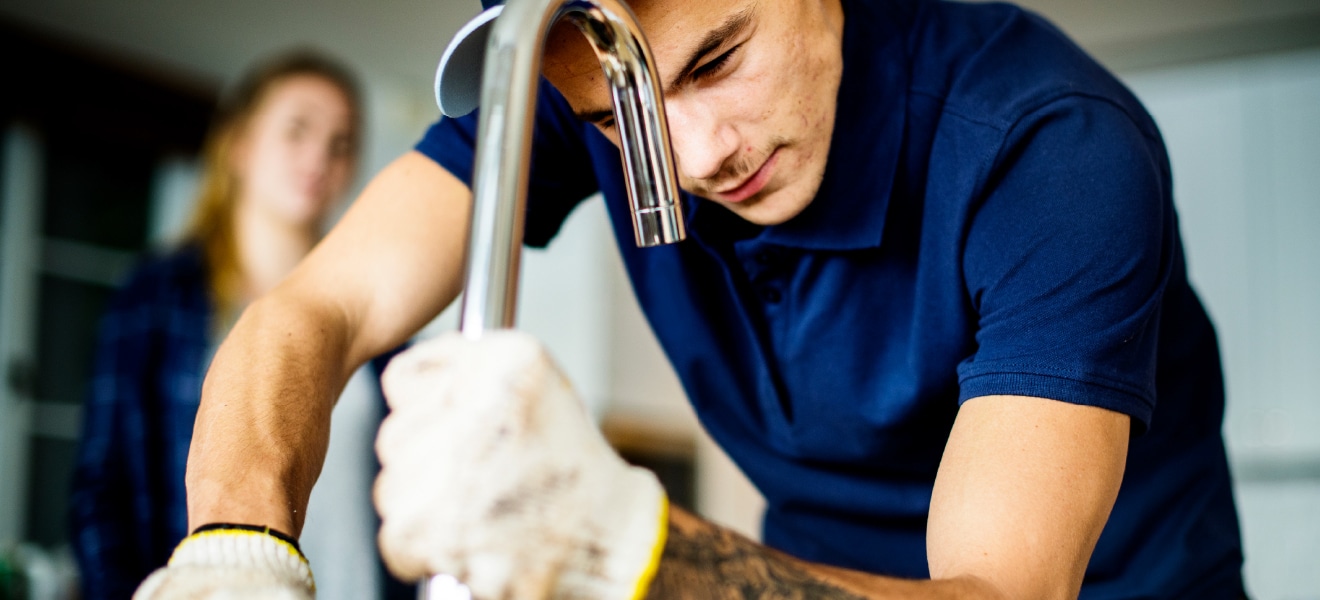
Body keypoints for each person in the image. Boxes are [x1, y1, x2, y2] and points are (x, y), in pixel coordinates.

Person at [132, 0, 1248, 597]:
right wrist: (236, 543)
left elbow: (1002, 595)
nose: (695, 155)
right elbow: (313, 310)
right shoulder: (586, 80)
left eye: (717, 59)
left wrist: (630, 548)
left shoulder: (1046, 147)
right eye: (620, 120)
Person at [70, 50, 408, 600]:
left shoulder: (375, 307)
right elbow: (101, 491)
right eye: (297, 130)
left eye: (341, 141)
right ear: (241, 144)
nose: (319, 156)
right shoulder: (156, 297)